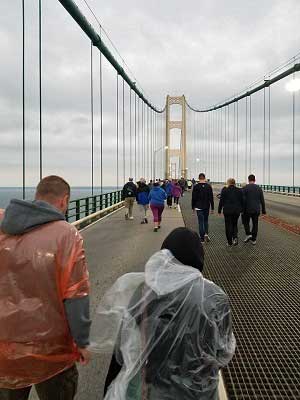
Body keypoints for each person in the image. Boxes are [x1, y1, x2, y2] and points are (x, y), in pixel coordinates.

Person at [91, 227, 235, 400]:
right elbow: (223, 351)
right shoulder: (216, 296)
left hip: (154, 391)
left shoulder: (144, 291)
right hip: (202, 392)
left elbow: (123, 351)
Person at [0, 175, 91, 400]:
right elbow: (76, 295)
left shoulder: (2, 228)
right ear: (64, 200)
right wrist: (81, 341)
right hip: (51, 350)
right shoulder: (66, 235)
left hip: (4, 350)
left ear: (37, 195)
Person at [218, 178, 244, 246]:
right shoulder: (239, 190)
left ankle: (229, 242)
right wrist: (242, 210)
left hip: (227, 211)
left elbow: (221, 201)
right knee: (234, 224)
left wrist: (219, 210)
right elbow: (242, 201)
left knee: (228, 226)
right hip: (236, 211)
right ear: (234, 183)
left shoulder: (224, 190)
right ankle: (235, 237)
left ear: (228, 183)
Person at [243, 174, 266, 245]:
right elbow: (262, 200)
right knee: (255, 224)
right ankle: (254, 239)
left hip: (247, 209)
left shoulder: (245, 188)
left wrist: (241, 209)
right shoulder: (259, 188)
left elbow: (242, 200)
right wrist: (263, 210)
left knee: (245, 222)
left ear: (248, 180)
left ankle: (248, 234)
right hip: (256, 209)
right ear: (255, 180)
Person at [192, 173, 214, 243]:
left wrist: (193, 206)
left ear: (198, 178)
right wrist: (212, 208)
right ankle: (206, 234)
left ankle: (202, 238)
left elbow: (194, 198)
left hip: (198, 207)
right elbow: (211, 198)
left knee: (200, 222)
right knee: (206, 221)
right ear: (204, 178)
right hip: (206, 206)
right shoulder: (208, 186)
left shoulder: (196, 187)